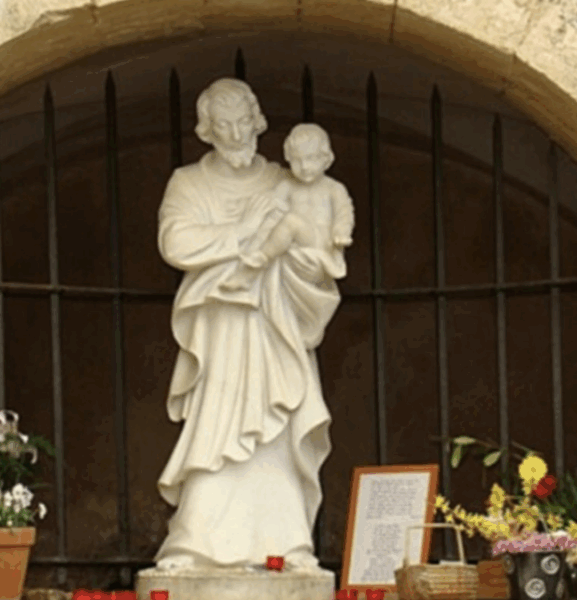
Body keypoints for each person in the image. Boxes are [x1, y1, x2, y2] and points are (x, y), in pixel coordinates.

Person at [154, 78, 348, 572]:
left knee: (277, 430)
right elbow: (176, 243)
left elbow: (315, 235)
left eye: (245, 123)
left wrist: (302, 255)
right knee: (217, 428)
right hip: (220, 325)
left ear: (258, 120)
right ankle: (194, 542)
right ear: (207, 130)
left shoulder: (284, 180)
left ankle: (287, 542)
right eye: (225, 125)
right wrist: (245, 233)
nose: (238, 134)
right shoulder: (188, 182)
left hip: (273, 322)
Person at [220, 123, 354, 291]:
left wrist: (341, 232)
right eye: (298, 160)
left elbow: (344, 213)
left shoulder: (333, 188)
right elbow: (269, 204)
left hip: (320, 243)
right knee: (271, 221)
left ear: (327, 159)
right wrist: (243, 205)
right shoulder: (287, 186)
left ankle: (263, 257)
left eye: (311, 159)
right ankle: (248, 272)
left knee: (291, 221)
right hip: (292, 246)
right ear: (288, 159)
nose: (304, 167)